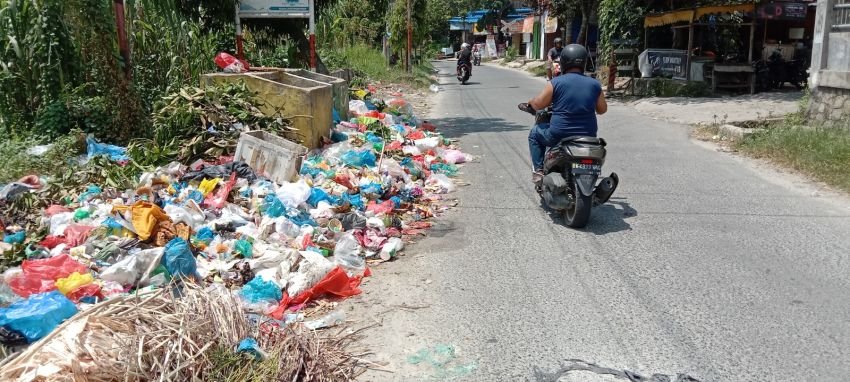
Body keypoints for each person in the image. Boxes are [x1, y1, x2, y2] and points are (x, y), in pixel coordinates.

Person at [527, 44, 608, 183]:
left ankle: (538, 171)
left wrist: (531, 102)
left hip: (558, 134)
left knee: (534, 134)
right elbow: (602, 109)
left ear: (563, 62)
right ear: (584, 62)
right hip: (588, 136)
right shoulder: (594, 84)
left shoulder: (556, 82)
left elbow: (538, 104)